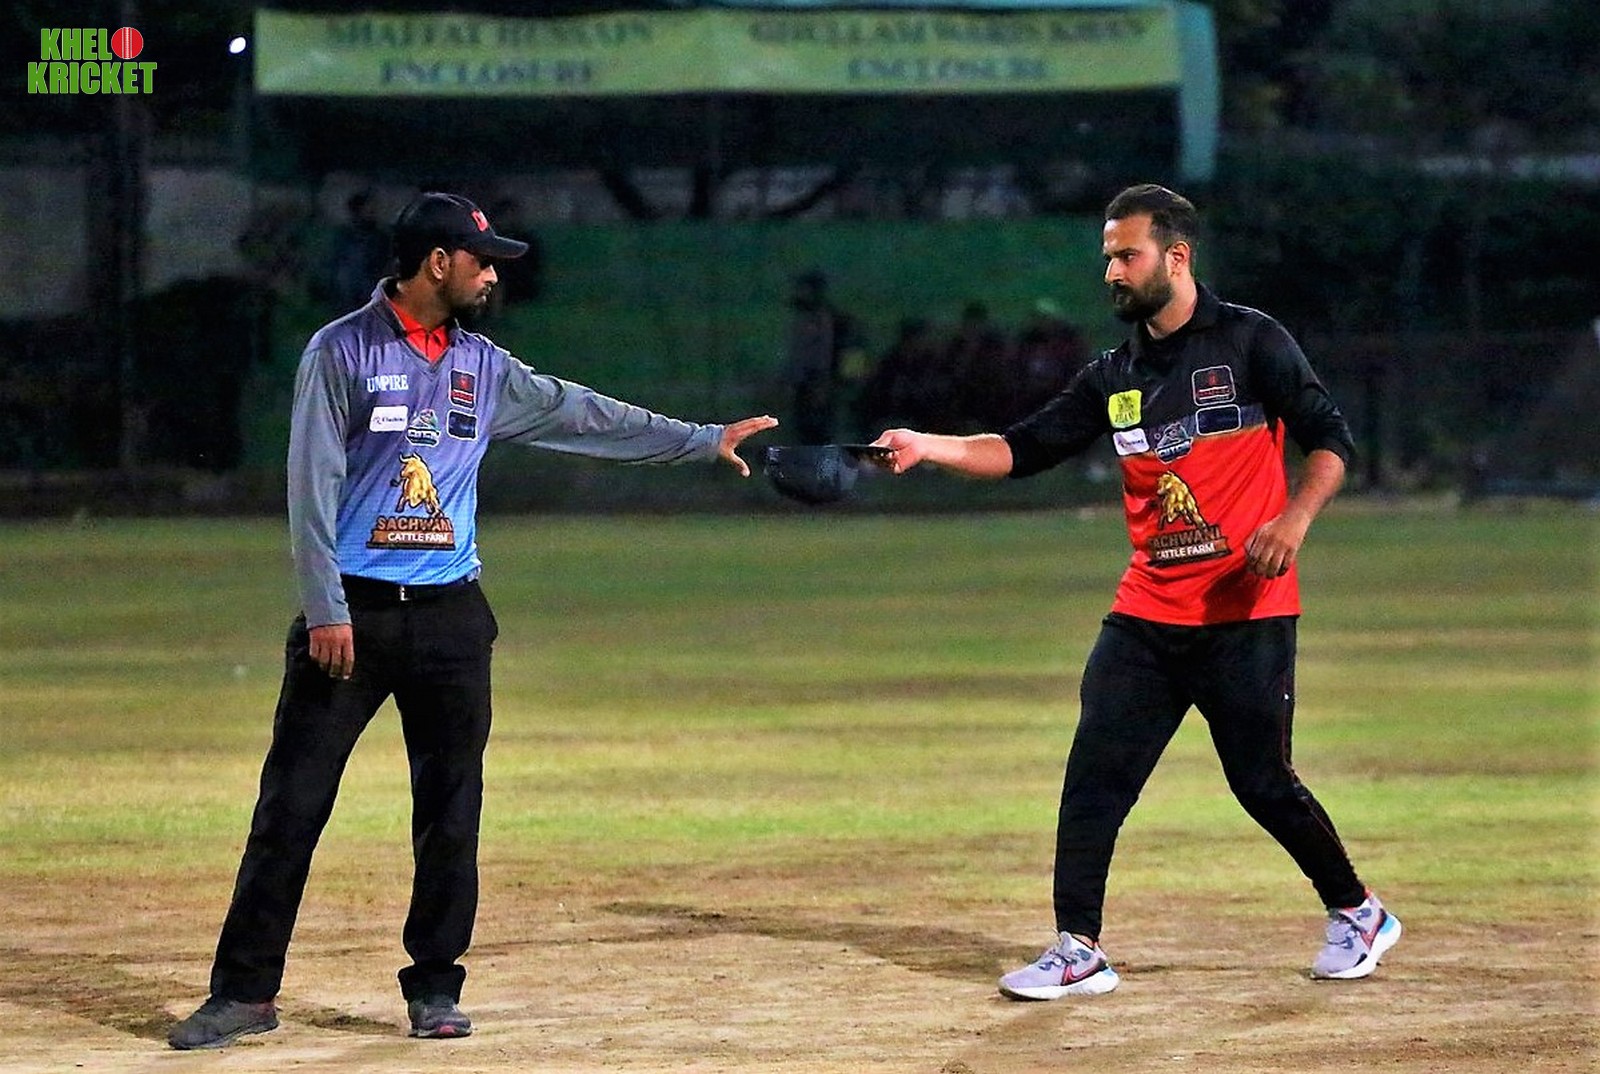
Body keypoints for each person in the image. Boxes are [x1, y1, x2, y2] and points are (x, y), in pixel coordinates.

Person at [168, 192, 777, 1050]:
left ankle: (435, 988)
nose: (492, 276)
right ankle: (243, 994)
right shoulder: (340, 350)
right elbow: (311, 487)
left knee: (451, 814)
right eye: (482, 261)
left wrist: (700, 439)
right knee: (291, 809)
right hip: (352, 619)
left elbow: (583, 414)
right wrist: (327, 609)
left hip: (452, 620)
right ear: (437, 262)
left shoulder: (483, 366)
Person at [870, 184, 1400, 998]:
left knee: (1262, 783)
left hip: (1245, 612)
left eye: (1127, 255)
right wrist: (927, 445)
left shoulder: (1251, 340)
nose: (1112, 272)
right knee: (1095, 776)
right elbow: (1021, 449)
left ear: (1176, 257)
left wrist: (1293, 522)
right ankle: (1077, 947)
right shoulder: (1112, 375)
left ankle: (1358, 912)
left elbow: (1331, 440)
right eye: (1108, 258)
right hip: (1147, 614)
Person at [783, 269, 865, 444]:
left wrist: (826, 384)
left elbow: (826, 357)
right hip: (808, 387)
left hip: (825, 386)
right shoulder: (807, 320)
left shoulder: (828, 322)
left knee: (822, 433)